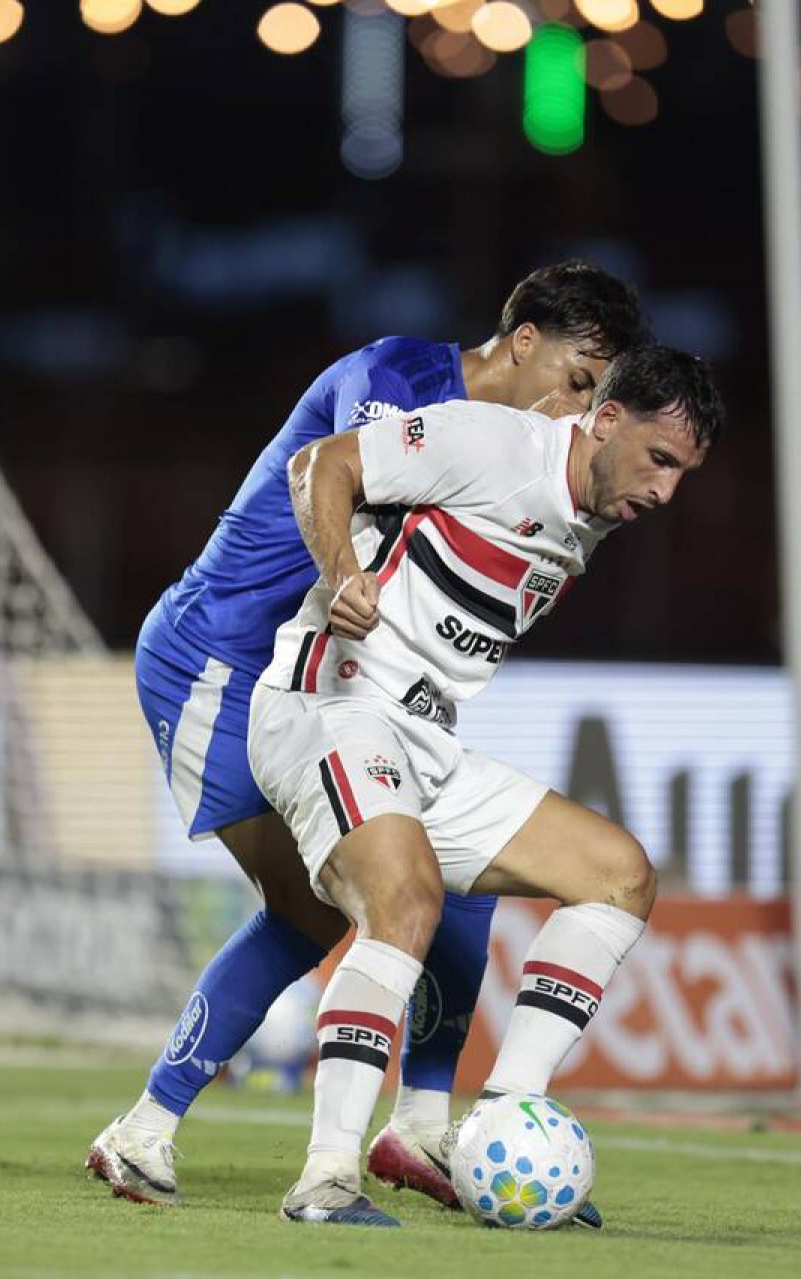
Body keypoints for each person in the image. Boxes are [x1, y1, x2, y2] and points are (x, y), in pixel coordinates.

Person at [87, 263, 649, 1213]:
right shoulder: (397, 380)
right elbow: (339, 470)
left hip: (339, 687)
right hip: (222, 660)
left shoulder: (525, 454)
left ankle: (424, 1125)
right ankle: (148, 1124)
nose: (581, 406)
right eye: (580, 378)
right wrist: (348, 563)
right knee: (322, 908)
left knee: (449, 878)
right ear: (523, 343)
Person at [254, 344, 722, 1226]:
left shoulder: (594, 501)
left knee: (619, 874)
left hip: (424, 742)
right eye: (661, 460)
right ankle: (324, 1179)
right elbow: (323, 463)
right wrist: (341, 575)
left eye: (684, 473)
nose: (666, 492)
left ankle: (506, 1113)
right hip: (330, 702)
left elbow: (557, 439)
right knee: (406, 899)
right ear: (610, 421)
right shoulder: (491, 447)